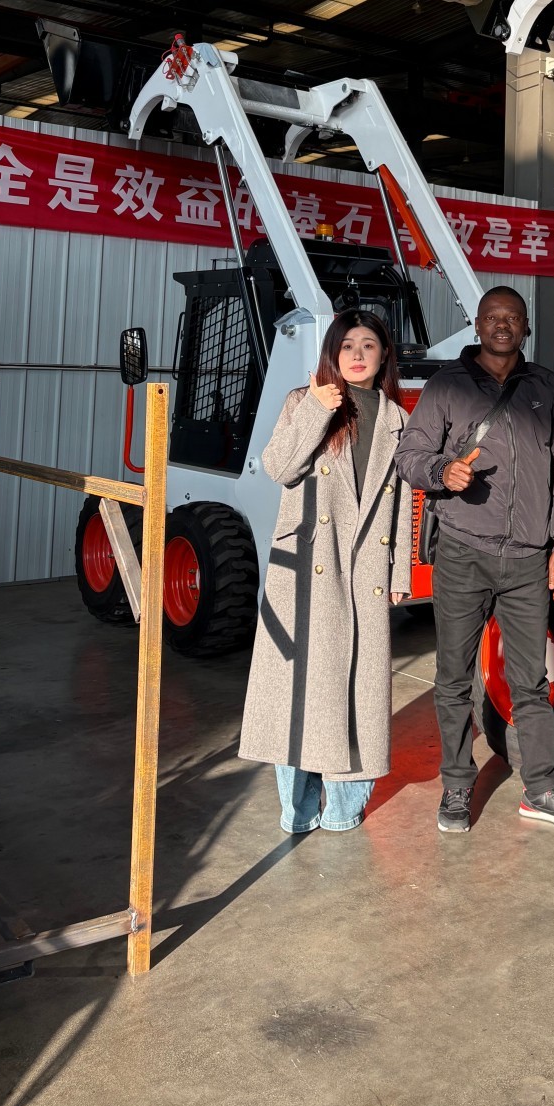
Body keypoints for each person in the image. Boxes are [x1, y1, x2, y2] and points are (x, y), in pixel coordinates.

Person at [396, 285, 554, 834]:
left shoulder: (545, 388)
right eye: (492, 317)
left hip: (530, 560)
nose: (502, 325)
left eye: (513, 318)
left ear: (525, 328)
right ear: (477, 325)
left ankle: (542, 788)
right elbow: (409, 455)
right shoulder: (447, 386)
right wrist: (444, 473)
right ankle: (457, 788)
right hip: (463, 551)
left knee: (531, 681)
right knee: (454, 677)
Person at [240, 310, 412, 834]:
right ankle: (297, 809)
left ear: (384, 356)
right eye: (347, 346)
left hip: (364, 567)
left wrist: (399, 568)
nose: (358, 355)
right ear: (332, 355)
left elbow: (402, 499)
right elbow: (279, 467)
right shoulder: (303, 400)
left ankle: (342, 809)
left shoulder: (394, 418)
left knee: (360, 689)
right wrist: (317, 408)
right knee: (302, 690)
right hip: (308, 566)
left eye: (369, 345)